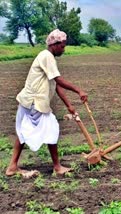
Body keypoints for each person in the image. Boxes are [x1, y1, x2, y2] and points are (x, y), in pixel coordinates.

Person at [6, 29, 88, 178]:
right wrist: (79, 90)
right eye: (62, 46)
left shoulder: (48, 57)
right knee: (51, 129)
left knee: (23, 132)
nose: (64, 49)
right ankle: (57, 167)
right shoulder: (46, 56)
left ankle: (12, 167)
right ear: (54, 44)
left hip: (28, 100)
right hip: (34, 102)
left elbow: (55, 85)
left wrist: (69, 105)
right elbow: (58, 80)